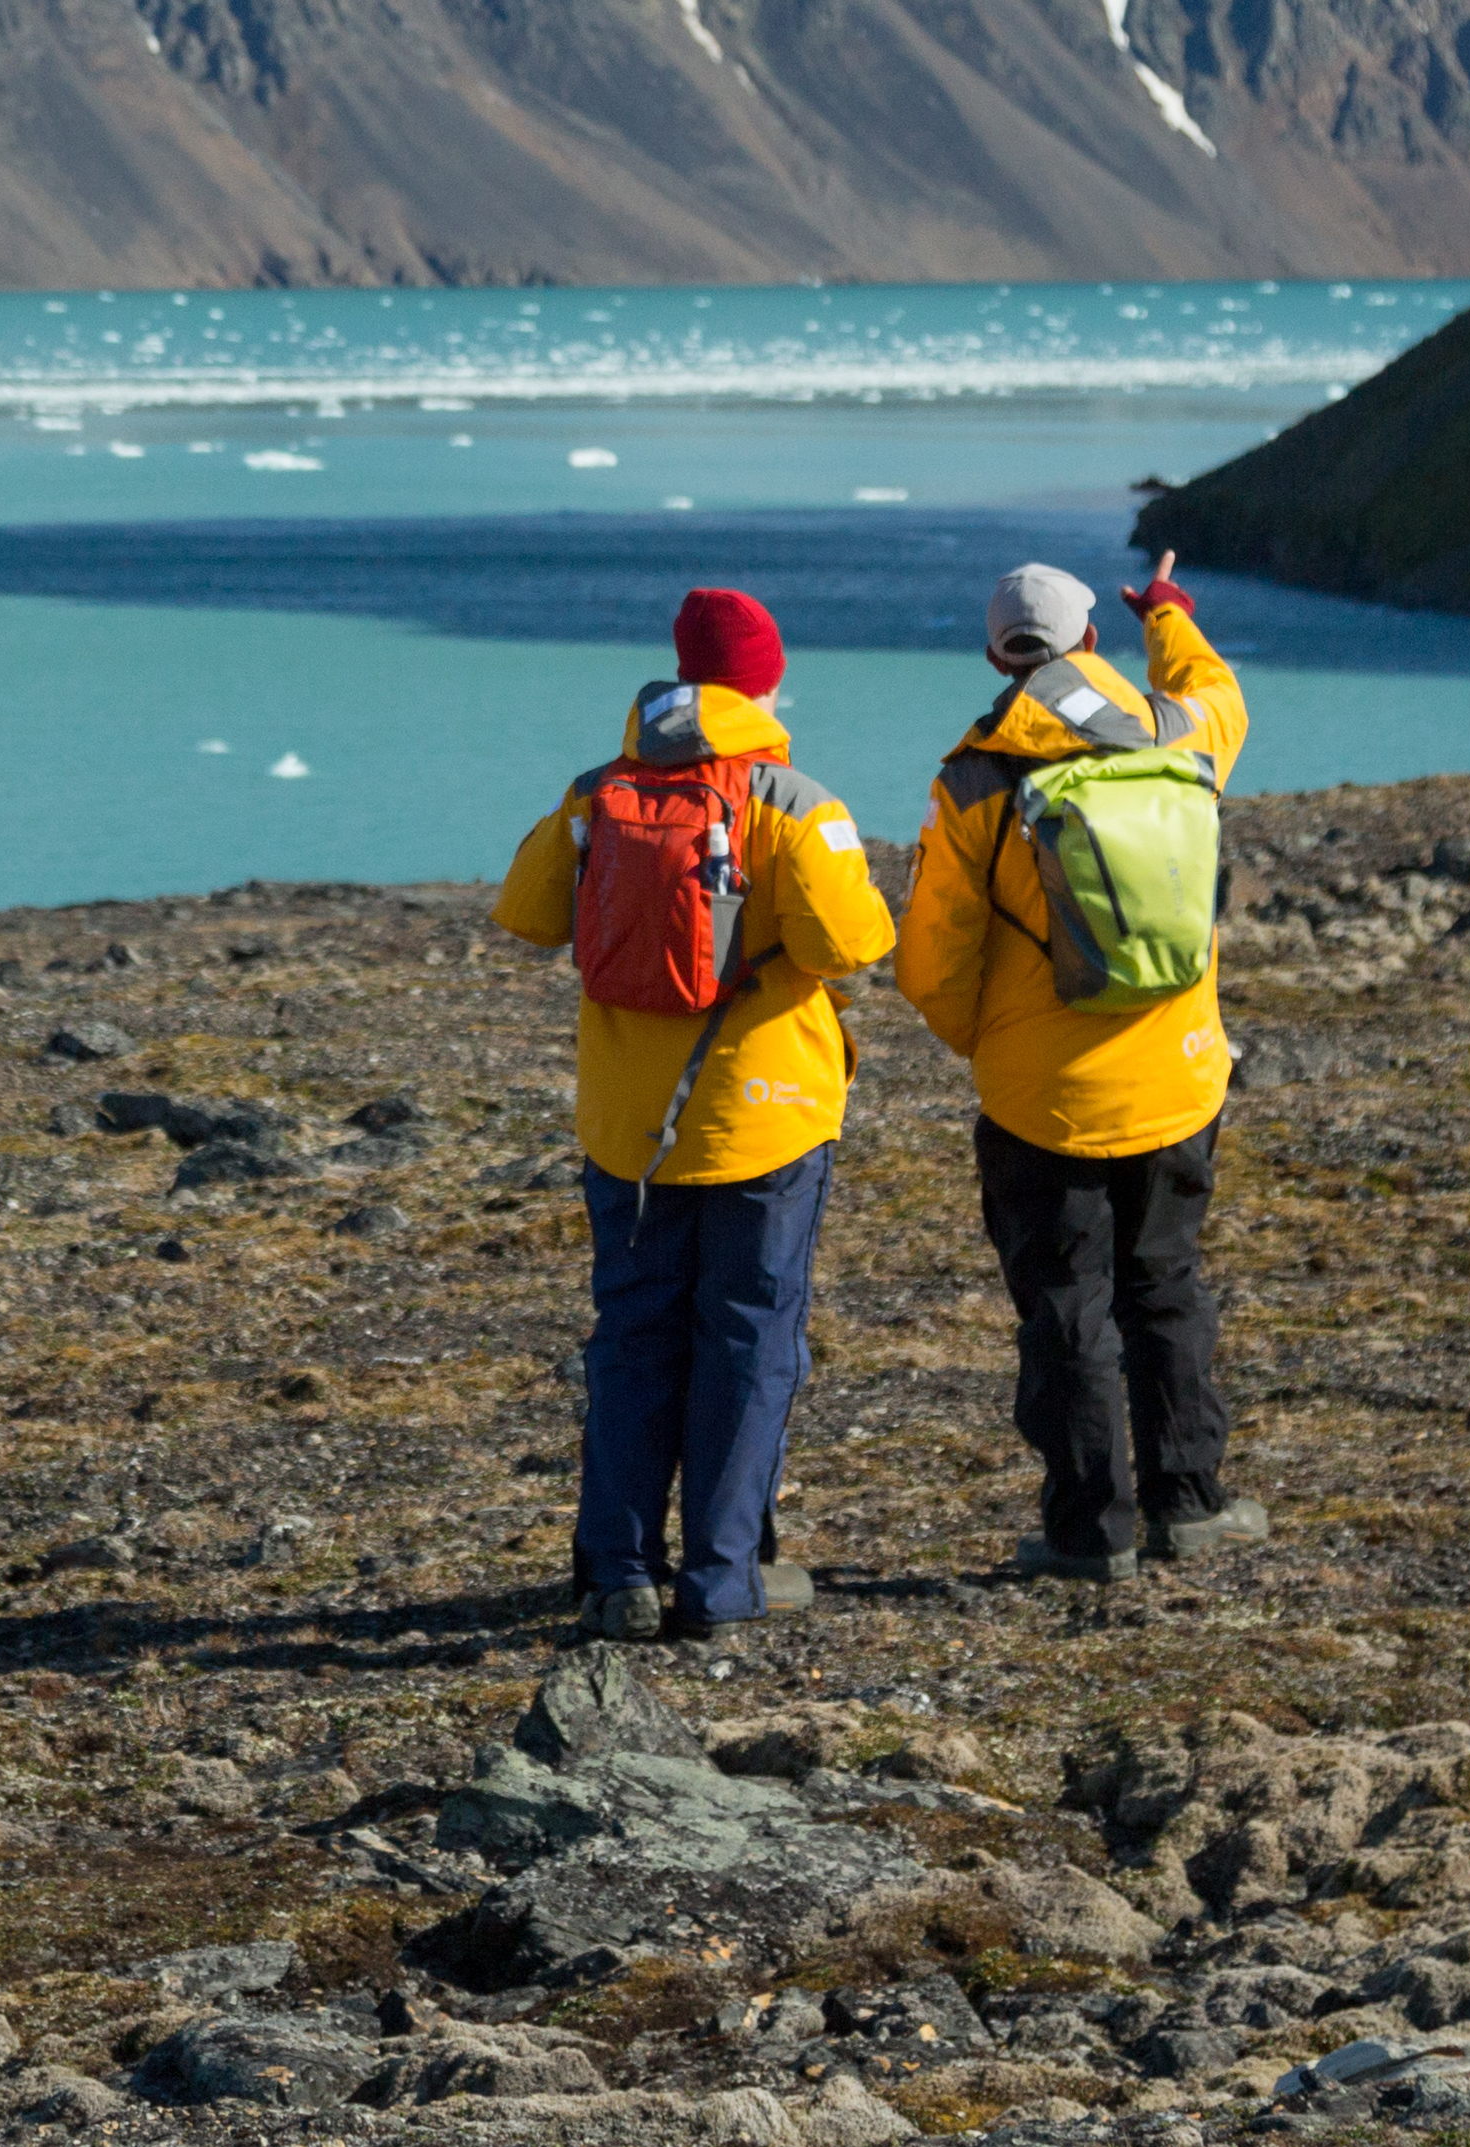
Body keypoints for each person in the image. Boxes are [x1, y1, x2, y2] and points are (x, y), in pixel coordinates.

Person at [492, 583, 896, 1642]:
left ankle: (617, 1572)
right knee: (748, 1343)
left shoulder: (595, 793)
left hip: (627, 1129)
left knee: (631, 1337)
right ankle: (720, 1582)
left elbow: (527, 913)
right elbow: (850, 943)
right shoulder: (796, 802)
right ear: (763, 678)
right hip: (764, 1120)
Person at [897, 545, 1262, 1581]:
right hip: (1181, 1071)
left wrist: (985, 1042)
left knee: (1066, 1305)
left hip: (1038, 1097)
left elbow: (931, 958)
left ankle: (1087, 1533)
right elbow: (1216, 689)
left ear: (995, 654)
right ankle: (1189, 1503)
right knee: (1167, 1285)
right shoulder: (1178, 730)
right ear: (1090, 640)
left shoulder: (974, 777)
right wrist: (1171, 613)